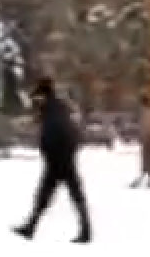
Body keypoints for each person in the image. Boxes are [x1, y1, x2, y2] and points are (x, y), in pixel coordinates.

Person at [13, 77, 92, 244]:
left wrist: (55, 153)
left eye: (37, 98)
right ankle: (31, 227)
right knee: (61, 195)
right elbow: (71, 134)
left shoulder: (52, 111)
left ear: (43, 96)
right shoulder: (55, 108)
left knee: (61, 195)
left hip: (58, 160)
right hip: (61, 159)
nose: (35, 102)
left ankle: (85, 231)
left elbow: (62, 135)